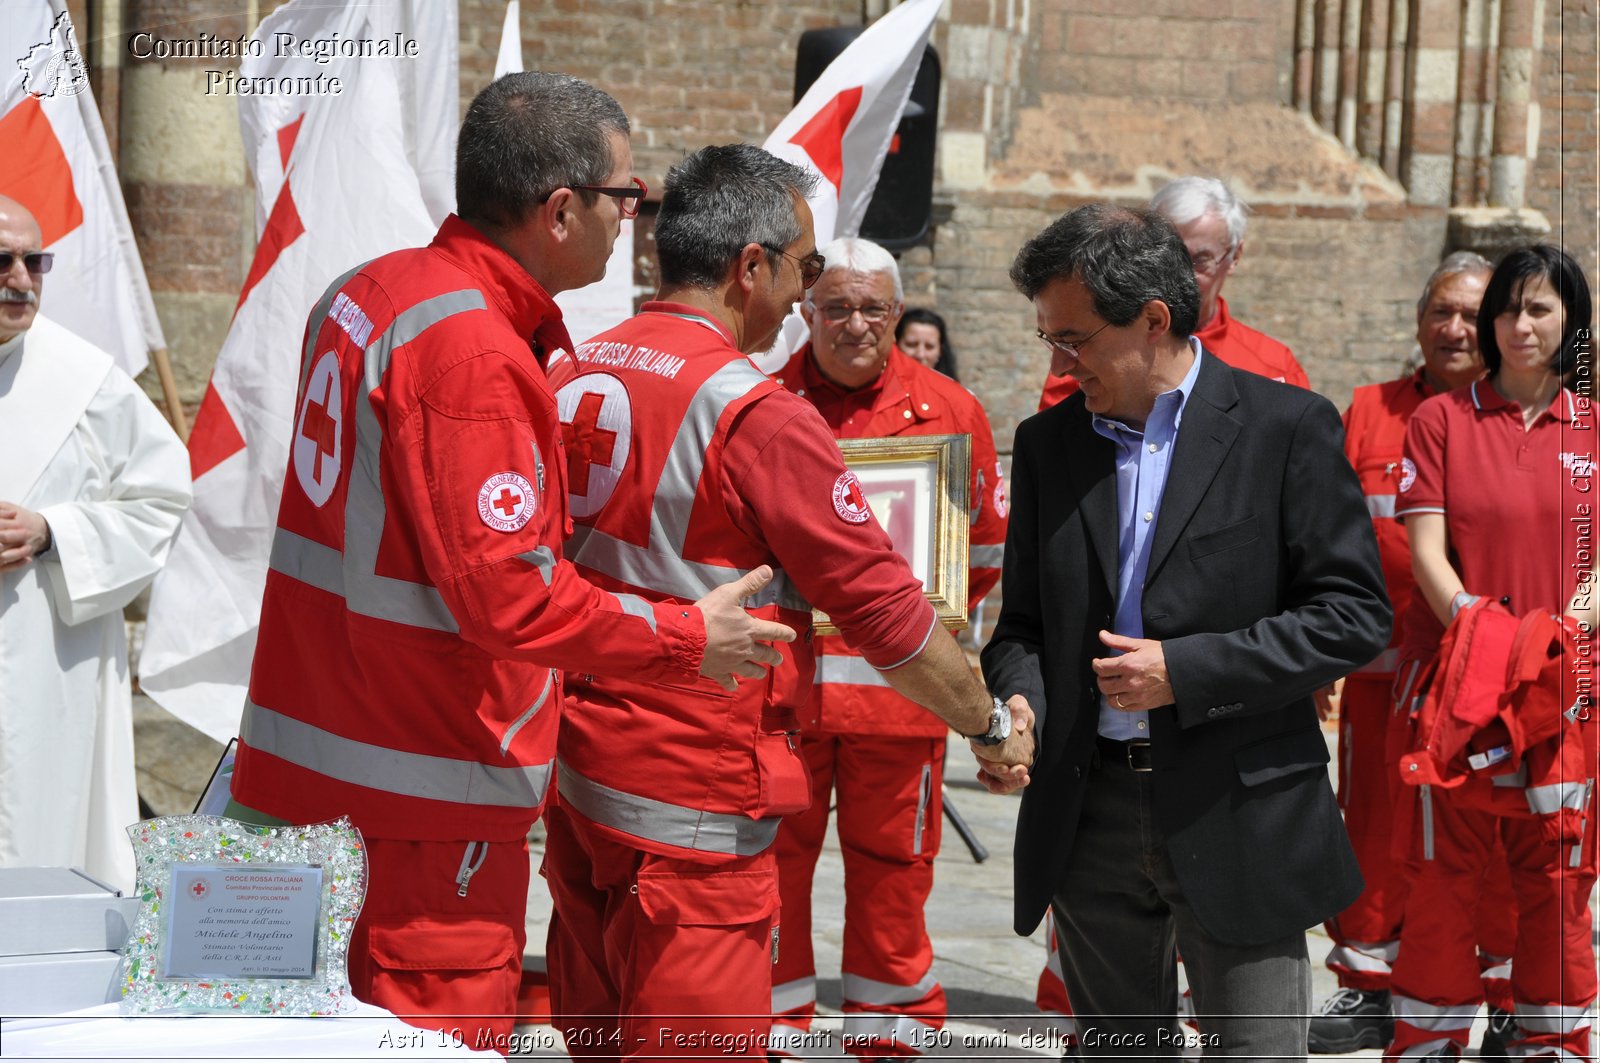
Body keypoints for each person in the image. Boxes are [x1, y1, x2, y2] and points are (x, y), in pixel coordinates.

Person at [228, 76, 799, 1047]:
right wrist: (683, 636)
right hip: (417, 802)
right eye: (628, 196)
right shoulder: (473, 353)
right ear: (561, 208)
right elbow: (508, 600)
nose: (635, 222)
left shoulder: (372, 288)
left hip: (309, 769)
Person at [543, 145, 1034, 1060]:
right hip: (692, 804)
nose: (810, 298)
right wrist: (988, 725)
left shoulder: (580, 364)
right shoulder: (754, 411)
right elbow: (888, 612)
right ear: (750, 268)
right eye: (808, 273)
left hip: (581, 780)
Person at [983, 202, 1391, 1057]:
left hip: (1238, 803)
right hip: (1089, 812)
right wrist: (1020, 700)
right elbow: (1020, 624)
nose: (1060, 359)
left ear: (1154, 320)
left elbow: (1353, 616)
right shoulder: (1049, 443)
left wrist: (1191, 667)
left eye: (1074, 338)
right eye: (1050, 338)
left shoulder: (1285, 428)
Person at [764, 239, 1009, 1057]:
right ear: (806, 310)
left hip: (901, 699)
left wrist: (922, 634)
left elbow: (978, 555)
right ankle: (770, 1030)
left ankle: (891, 1040)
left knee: (896, 881)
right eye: (836, 306)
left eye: (873, 307)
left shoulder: (952, 409)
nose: (855, 324)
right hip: (785, 697)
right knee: (771, 875)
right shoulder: (760, 401)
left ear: (898, 314)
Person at [1386, 244, 1596, 1062]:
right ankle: (1431, 1044)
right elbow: (1428, 552)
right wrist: (1486, 634)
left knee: (1557, 880)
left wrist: (1559, 637)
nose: (1520, 325)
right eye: (1507, 309)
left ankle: (1553, 1044)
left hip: (1569, 693)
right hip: (1464, 691)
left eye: (1540, 309)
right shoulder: (1441, 420)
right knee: (1444, 882)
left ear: (1571, 320)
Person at [1309, 252, 1519, 1055]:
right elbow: (1325, 539)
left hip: (1496, 679)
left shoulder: (1525, 416)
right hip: (1383, 672)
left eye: (1472, 313)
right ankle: (1369, 984)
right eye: (1441, 311)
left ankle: (1504, 992)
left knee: (1497, 835)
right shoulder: (1367, 412)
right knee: (1373, 831)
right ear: (1418, 321)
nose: (1455, 328)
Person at [0, 195, 191, 894]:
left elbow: (163, 497)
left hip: (51, 672)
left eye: (34, 261)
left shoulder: (87, 382)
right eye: (3, 260)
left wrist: (54, 532)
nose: (20, 279)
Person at [1038, 176, 1309, 410]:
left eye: (1199, 260)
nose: (1181, 275)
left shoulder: (1273, 366)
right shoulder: (1088, 354)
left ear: (1234, 256)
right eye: (1168, 258)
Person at [896, 306, 960, 380]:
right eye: (911, 345)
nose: (920, 355)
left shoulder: (955, 390)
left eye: (929, 347)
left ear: (940, 350)